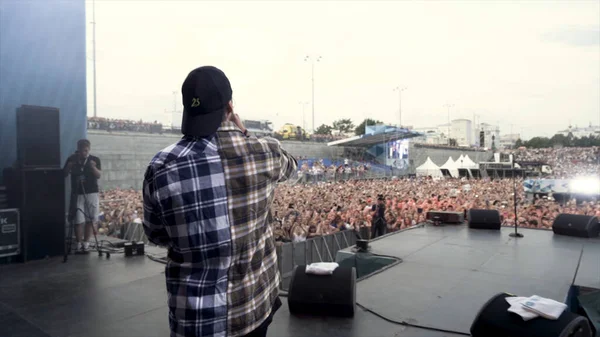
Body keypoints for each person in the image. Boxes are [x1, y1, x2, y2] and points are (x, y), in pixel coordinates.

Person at [142, 66, 297, 337]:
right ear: (230, 106)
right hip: (254, 307)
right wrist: (245, 134)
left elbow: (156, 234)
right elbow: (292, 168)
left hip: (197, 319)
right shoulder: (265, 152)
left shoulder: (162, 165)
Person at [63, 139, 102, 252]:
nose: (84, 153)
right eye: (81, 151)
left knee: (90, 218)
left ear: (89, 149)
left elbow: (99, 175)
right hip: (77, 192)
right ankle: (78, 242)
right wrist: (69, 166)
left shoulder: (94, 159)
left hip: (92, 192)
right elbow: (64, 174)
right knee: (78, 219)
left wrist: (93, 167)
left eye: (86, 151)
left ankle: (86, 242)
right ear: (78, 150)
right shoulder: (72, 159)